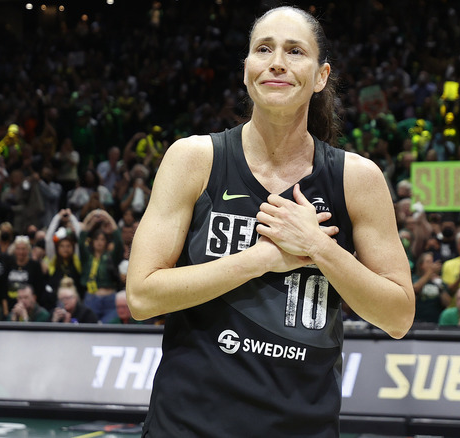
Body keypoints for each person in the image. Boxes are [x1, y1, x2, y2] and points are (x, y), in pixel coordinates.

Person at [127, 6, 414, 437]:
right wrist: (262, 258)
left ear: (320, 76)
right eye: (264, 49)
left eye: (295, 51)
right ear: (247, 70)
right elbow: (142, 295)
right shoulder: (194, 159)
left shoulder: (357, 178)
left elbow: (398, 316)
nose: (277, 61)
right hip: (186, 426)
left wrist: (319, 247)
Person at [79, 209, 122, 323]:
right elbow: (81, 238)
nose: (99, 242)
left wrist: (107, 216)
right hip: (91, 297)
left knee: (110, 331)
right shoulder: (87, 257)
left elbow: (119, 242)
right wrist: (90, 217)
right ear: (92, 241)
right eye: (96, 239)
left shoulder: (110, 256)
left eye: (102, 239)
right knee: (89, 331)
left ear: (106, 242)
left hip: (110, 298)